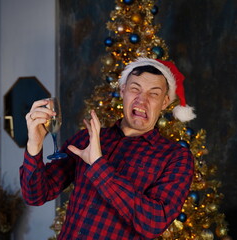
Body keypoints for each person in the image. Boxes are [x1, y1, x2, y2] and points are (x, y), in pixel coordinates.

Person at [20, 57, 196, 239]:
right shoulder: (87, 138)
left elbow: (153, 223)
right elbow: (35, 195)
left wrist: (98, 165)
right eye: (135, 89)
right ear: (122, 91)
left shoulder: (176, 157)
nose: (141, 100)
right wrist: (35, 144)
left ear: (165, 101)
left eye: (154, 94)